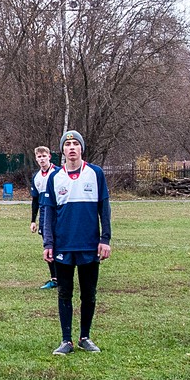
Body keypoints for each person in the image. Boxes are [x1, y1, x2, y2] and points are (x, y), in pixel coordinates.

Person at [41, 130, 111, 356]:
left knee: (89, 294)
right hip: (63, 247)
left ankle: (85, 337)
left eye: (75, 144)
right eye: (67, 144)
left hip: (89, 245)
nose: (72, 148)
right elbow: (49, 213)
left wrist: (105, 239)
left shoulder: (96, 174)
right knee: (64, 293)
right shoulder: (54, 177)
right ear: (62, 150)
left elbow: (104, 209)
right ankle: (66, 340)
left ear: (82, 148)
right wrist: (48, 243)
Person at [28, 145, 59, 289]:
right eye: (39, 157)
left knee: (59, 243)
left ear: (49, 156)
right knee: (48, 244)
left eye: (44, 156)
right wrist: (33, 220)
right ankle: (54, 278)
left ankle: (64, 276)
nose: (41, 159)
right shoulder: (36, 177)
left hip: (58, 213)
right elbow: (35, 200)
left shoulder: (58, 173)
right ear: (36, 159)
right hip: (44, 214)